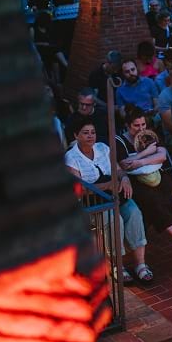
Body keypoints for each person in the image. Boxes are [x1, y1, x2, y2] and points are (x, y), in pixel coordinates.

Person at [115, 108, 172, 270]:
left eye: (143, 124)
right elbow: (124, 164)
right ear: (127, 126)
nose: (141, 128)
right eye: (136, 125)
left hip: (157, 175)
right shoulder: (119, 141)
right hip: (137, 182)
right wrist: (149, 154)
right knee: (157, 205)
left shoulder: (148, 135)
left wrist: (139, 160)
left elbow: (162, 155)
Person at [64, 116, 147, 283]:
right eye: (85, 133)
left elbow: (118, 170)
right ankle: (117, 266)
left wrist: (124, 179)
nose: (90, 136)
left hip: (115, 196)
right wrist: (108, 185)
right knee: (114, 220)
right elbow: (79, 190)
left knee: (134, 213)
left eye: (93, 132)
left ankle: (141, 264)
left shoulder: (103, 148)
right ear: (76, 136)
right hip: (93, 203)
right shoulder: (71, 157)